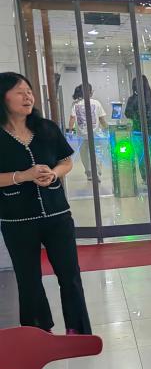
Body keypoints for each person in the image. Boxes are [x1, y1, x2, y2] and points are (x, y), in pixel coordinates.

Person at [0, 72, 91, 334]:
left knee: (70, 275)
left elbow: (66, 161)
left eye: (29, 91)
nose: (27, 96)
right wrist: (23, 176)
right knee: (28, 279)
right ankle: (38, 333)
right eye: (20, 92)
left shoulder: (46, 128)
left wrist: (54, 174)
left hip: (57, 214)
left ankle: (77, 330)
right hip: (17, 219)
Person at [124, 75, 151, 187]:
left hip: (138, 132)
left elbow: (128, 114)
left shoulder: (132, 100)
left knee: (141, 155)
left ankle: (145, 178)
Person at [69, 83, 107, 182]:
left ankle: (89, 173)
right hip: (95, 134)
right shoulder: (96, 103)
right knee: (97, 153)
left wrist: (70, 131)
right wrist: (107, 128)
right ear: (90, 92)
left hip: (82, 135)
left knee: (84, 154)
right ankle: (97, 172)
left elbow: (72, 118)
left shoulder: (75, 104)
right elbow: (101, 119)